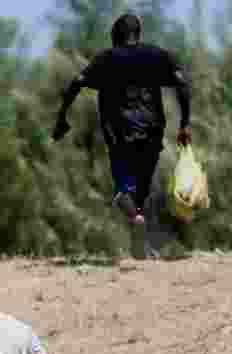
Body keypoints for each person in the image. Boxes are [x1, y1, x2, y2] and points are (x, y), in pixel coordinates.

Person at [53, 12, 192, 231]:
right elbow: (182, 84)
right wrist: (185, 123)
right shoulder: (158, 55)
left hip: (120, 135)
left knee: (124, 190)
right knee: (142, 190)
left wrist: (62, 117)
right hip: (151, 131)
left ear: (115, 36)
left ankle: (134, 217)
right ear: (138, 34)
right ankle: (141, 230)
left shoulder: (106, 58)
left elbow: (77, 83)